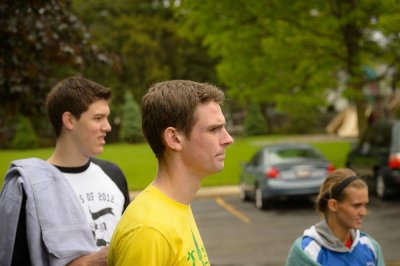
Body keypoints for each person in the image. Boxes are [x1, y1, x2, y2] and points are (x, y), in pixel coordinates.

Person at [0, 77, 130, 266]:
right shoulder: (29, 188)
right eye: (98, 118)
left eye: (107, 117)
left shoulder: (113, 175)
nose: (107, 127)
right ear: (69, 120)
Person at [108, 80, 234, 265]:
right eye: (214, 129)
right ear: (174, 138)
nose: (228, 139)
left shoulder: (175, 207)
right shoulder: (149, 230)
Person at [285, 168, 385, 266]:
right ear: (333, 205)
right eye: (356, 205)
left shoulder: (370, 247)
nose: (364, 212)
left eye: (365, 205)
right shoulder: (308, 251)